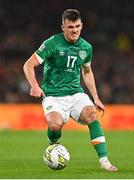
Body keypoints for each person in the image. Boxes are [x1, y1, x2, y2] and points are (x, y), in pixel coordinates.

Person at [23, 9, 117, 171]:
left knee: (92, 115)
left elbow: (87, 72)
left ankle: (104, 161)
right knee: (54, 125)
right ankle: (54, 146)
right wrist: (34, 85)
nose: (75, 30)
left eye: (77, 26)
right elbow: (28, 64)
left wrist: (96, 97)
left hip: (76, 93)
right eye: (71, 26)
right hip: (53, 95)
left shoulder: (86, 47)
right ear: (63, 27)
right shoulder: (52, 43)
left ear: (81, 26)